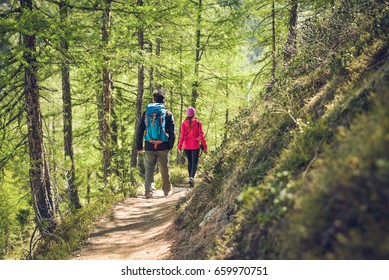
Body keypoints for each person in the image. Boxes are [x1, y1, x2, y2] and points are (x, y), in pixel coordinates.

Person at [136, 88, 175, 198]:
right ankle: (166, 190)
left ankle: (149, 191)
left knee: (149, 168)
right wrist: (169, 146)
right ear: (164, 100)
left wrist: (139, 147)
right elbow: (172, 132)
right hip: (163, 146)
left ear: (153, 99)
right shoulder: (167, 114)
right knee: (164, 168)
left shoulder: (146, 113)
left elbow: (140, 131)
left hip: (149, 145)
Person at [177, 106, 208, 187]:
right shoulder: (198, 123)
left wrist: (179, 146)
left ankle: (190, 177)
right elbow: (201, 136)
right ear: (194, 114)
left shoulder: (183, 123)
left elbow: (182, 136)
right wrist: (205, 147)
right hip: (195, 146)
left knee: (190, 162)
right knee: (194, 163)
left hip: (186, 146)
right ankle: (191, 177)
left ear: (187, 114)